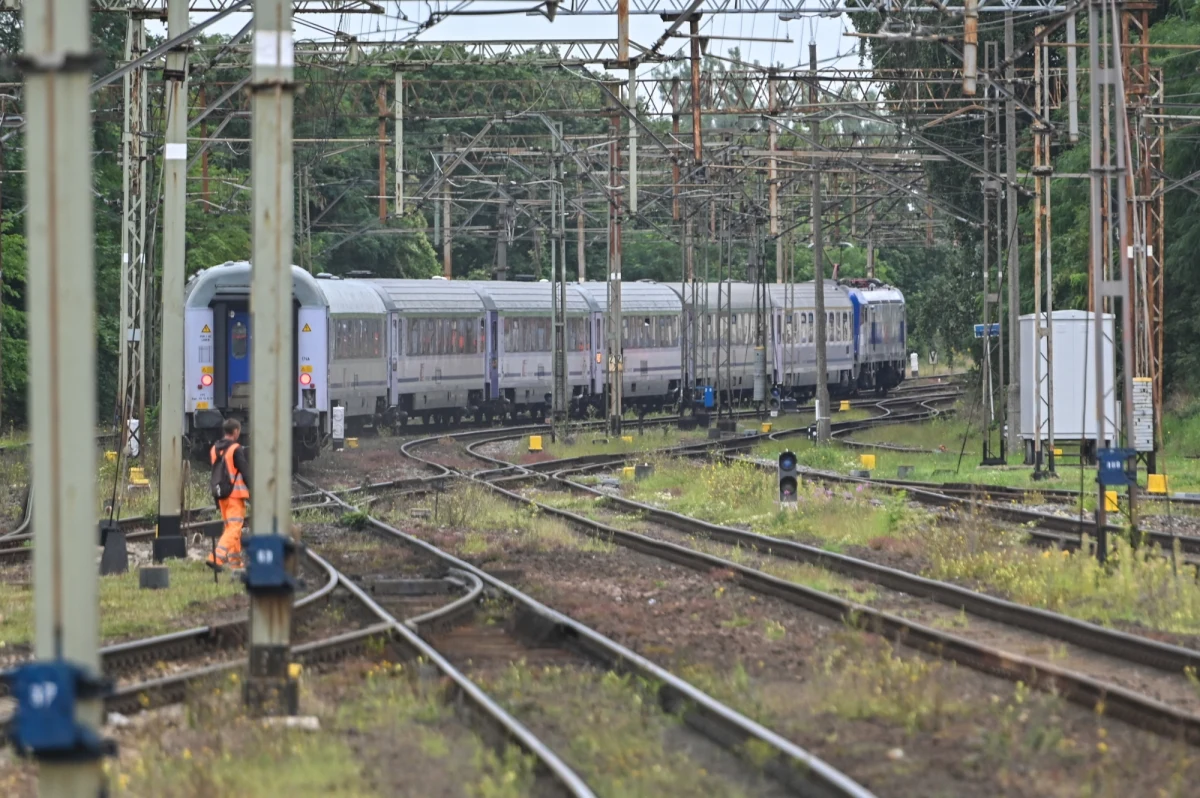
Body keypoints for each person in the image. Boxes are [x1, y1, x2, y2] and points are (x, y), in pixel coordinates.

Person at [207, 418, 250, 570]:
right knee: (234, 528)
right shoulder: (235, 449)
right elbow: (245, 472)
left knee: (230, 528)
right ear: (236, 431)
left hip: (220, 495)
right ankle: (216, 558)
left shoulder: (214, 449)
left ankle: (235, 563)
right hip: (235, 496)